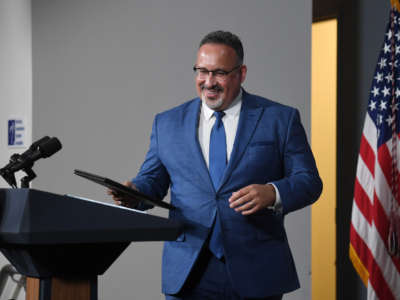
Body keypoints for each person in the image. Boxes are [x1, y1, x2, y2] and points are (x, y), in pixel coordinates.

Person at [110, 30, 322, 300]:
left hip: (258, 271)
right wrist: (133, 193)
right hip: (188, 271)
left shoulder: (280, 119)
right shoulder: (167, 123)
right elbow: (152, 181)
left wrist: (273, 192)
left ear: (241, 73)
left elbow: (309, 181)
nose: (209, 82)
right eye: (202, 71)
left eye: (219, 72)